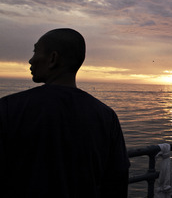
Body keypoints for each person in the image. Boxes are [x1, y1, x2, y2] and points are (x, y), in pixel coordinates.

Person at [0, 28, 130, 197]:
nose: (30, 60)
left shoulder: (9, 108)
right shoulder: (106, 116)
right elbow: (116, 182)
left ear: (53, 58)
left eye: (35, 51)